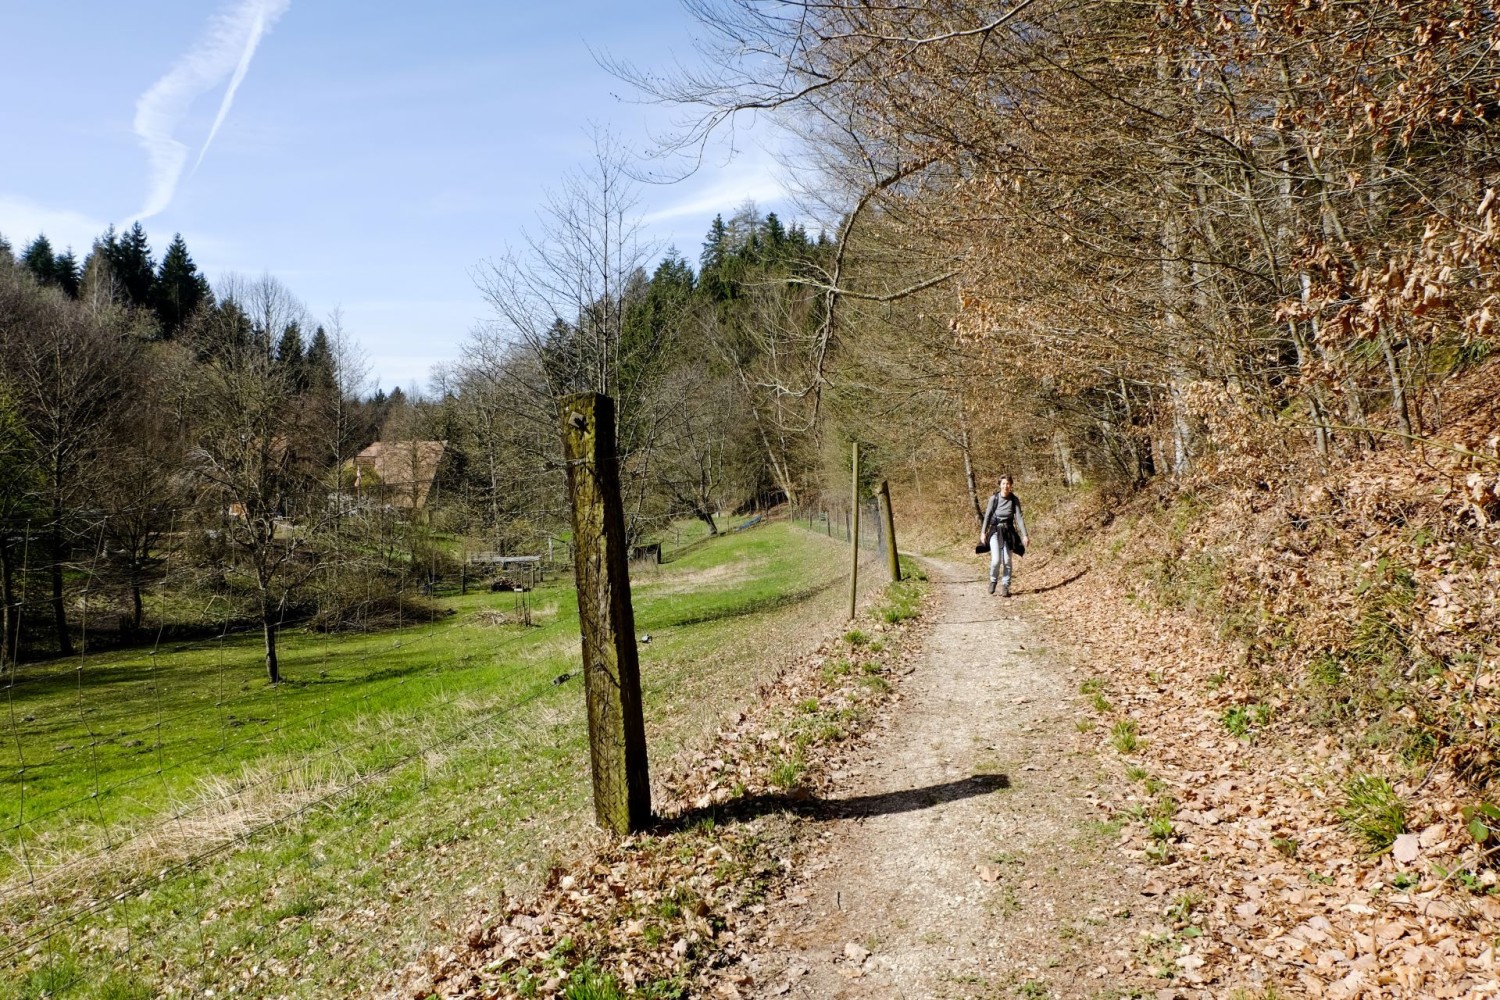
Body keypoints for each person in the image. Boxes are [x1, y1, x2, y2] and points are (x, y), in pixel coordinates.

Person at [978, 474, 1029, 597]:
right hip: (995, 531)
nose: (1006, 486)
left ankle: (1005, 585)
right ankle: (993, 580)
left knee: (1007, 560)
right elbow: (988, 516)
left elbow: (1019, 518)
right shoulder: (994, 499)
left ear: (1011, 485)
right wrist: (983, 532)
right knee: (996, 560)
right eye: (1003, 483)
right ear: (1000, 485)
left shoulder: (1014, 500)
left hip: (1008, 531)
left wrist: (1025, 535)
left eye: (1008, 483)